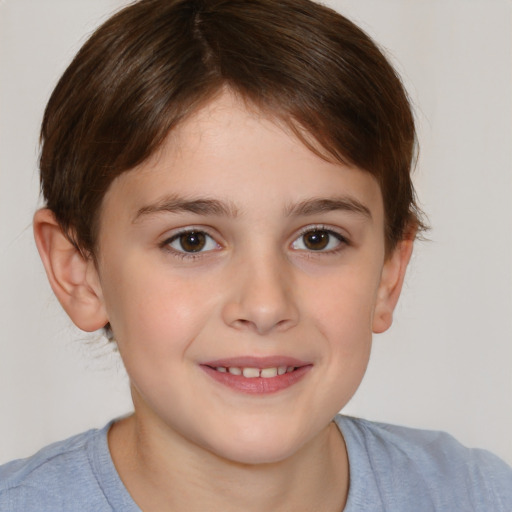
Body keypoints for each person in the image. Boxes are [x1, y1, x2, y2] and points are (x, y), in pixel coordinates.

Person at [1, 0, 510, 510]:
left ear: (388, 273)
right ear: (80, 273)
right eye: (191, 240)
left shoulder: (478, 495)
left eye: (318, 239)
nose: (265, 306)